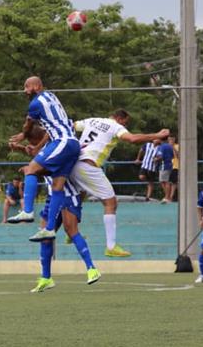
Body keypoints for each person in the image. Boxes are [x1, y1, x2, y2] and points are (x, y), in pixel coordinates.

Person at [69, 110, 169, 256]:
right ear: (119, 118)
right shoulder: (115, 126)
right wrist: (157, 135)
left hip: (73, 162)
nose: (125, 125)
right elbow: (133, 139)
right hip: (88, 165)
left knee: (80, 193)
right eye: (125, 122)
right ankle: (111, 246)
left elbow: (71, 126)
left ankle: (71, 229)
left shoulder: (92, 120)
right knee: (111, 203)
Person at [5, 77, 83, 244]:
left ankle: (27, 210)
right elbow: (50, 126)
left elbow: (28, 125)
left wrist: (23, 135)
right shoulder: (52, 97)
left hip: (62, 142)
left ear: (37, 85)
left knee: (30, 169)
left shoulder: (35, 103)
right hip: (72, 144)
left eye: (27, 87)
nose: (25, 91)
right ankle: (49, 230)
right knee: (57, 186)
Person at [30, 177, 101, 292]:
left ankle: (92, 269)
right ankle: (46, 278)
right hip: (52, 197)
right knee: (45, 237)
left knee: (71, 231)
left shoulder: (62, 159)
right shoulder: (40, 159)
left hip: (68, 196)